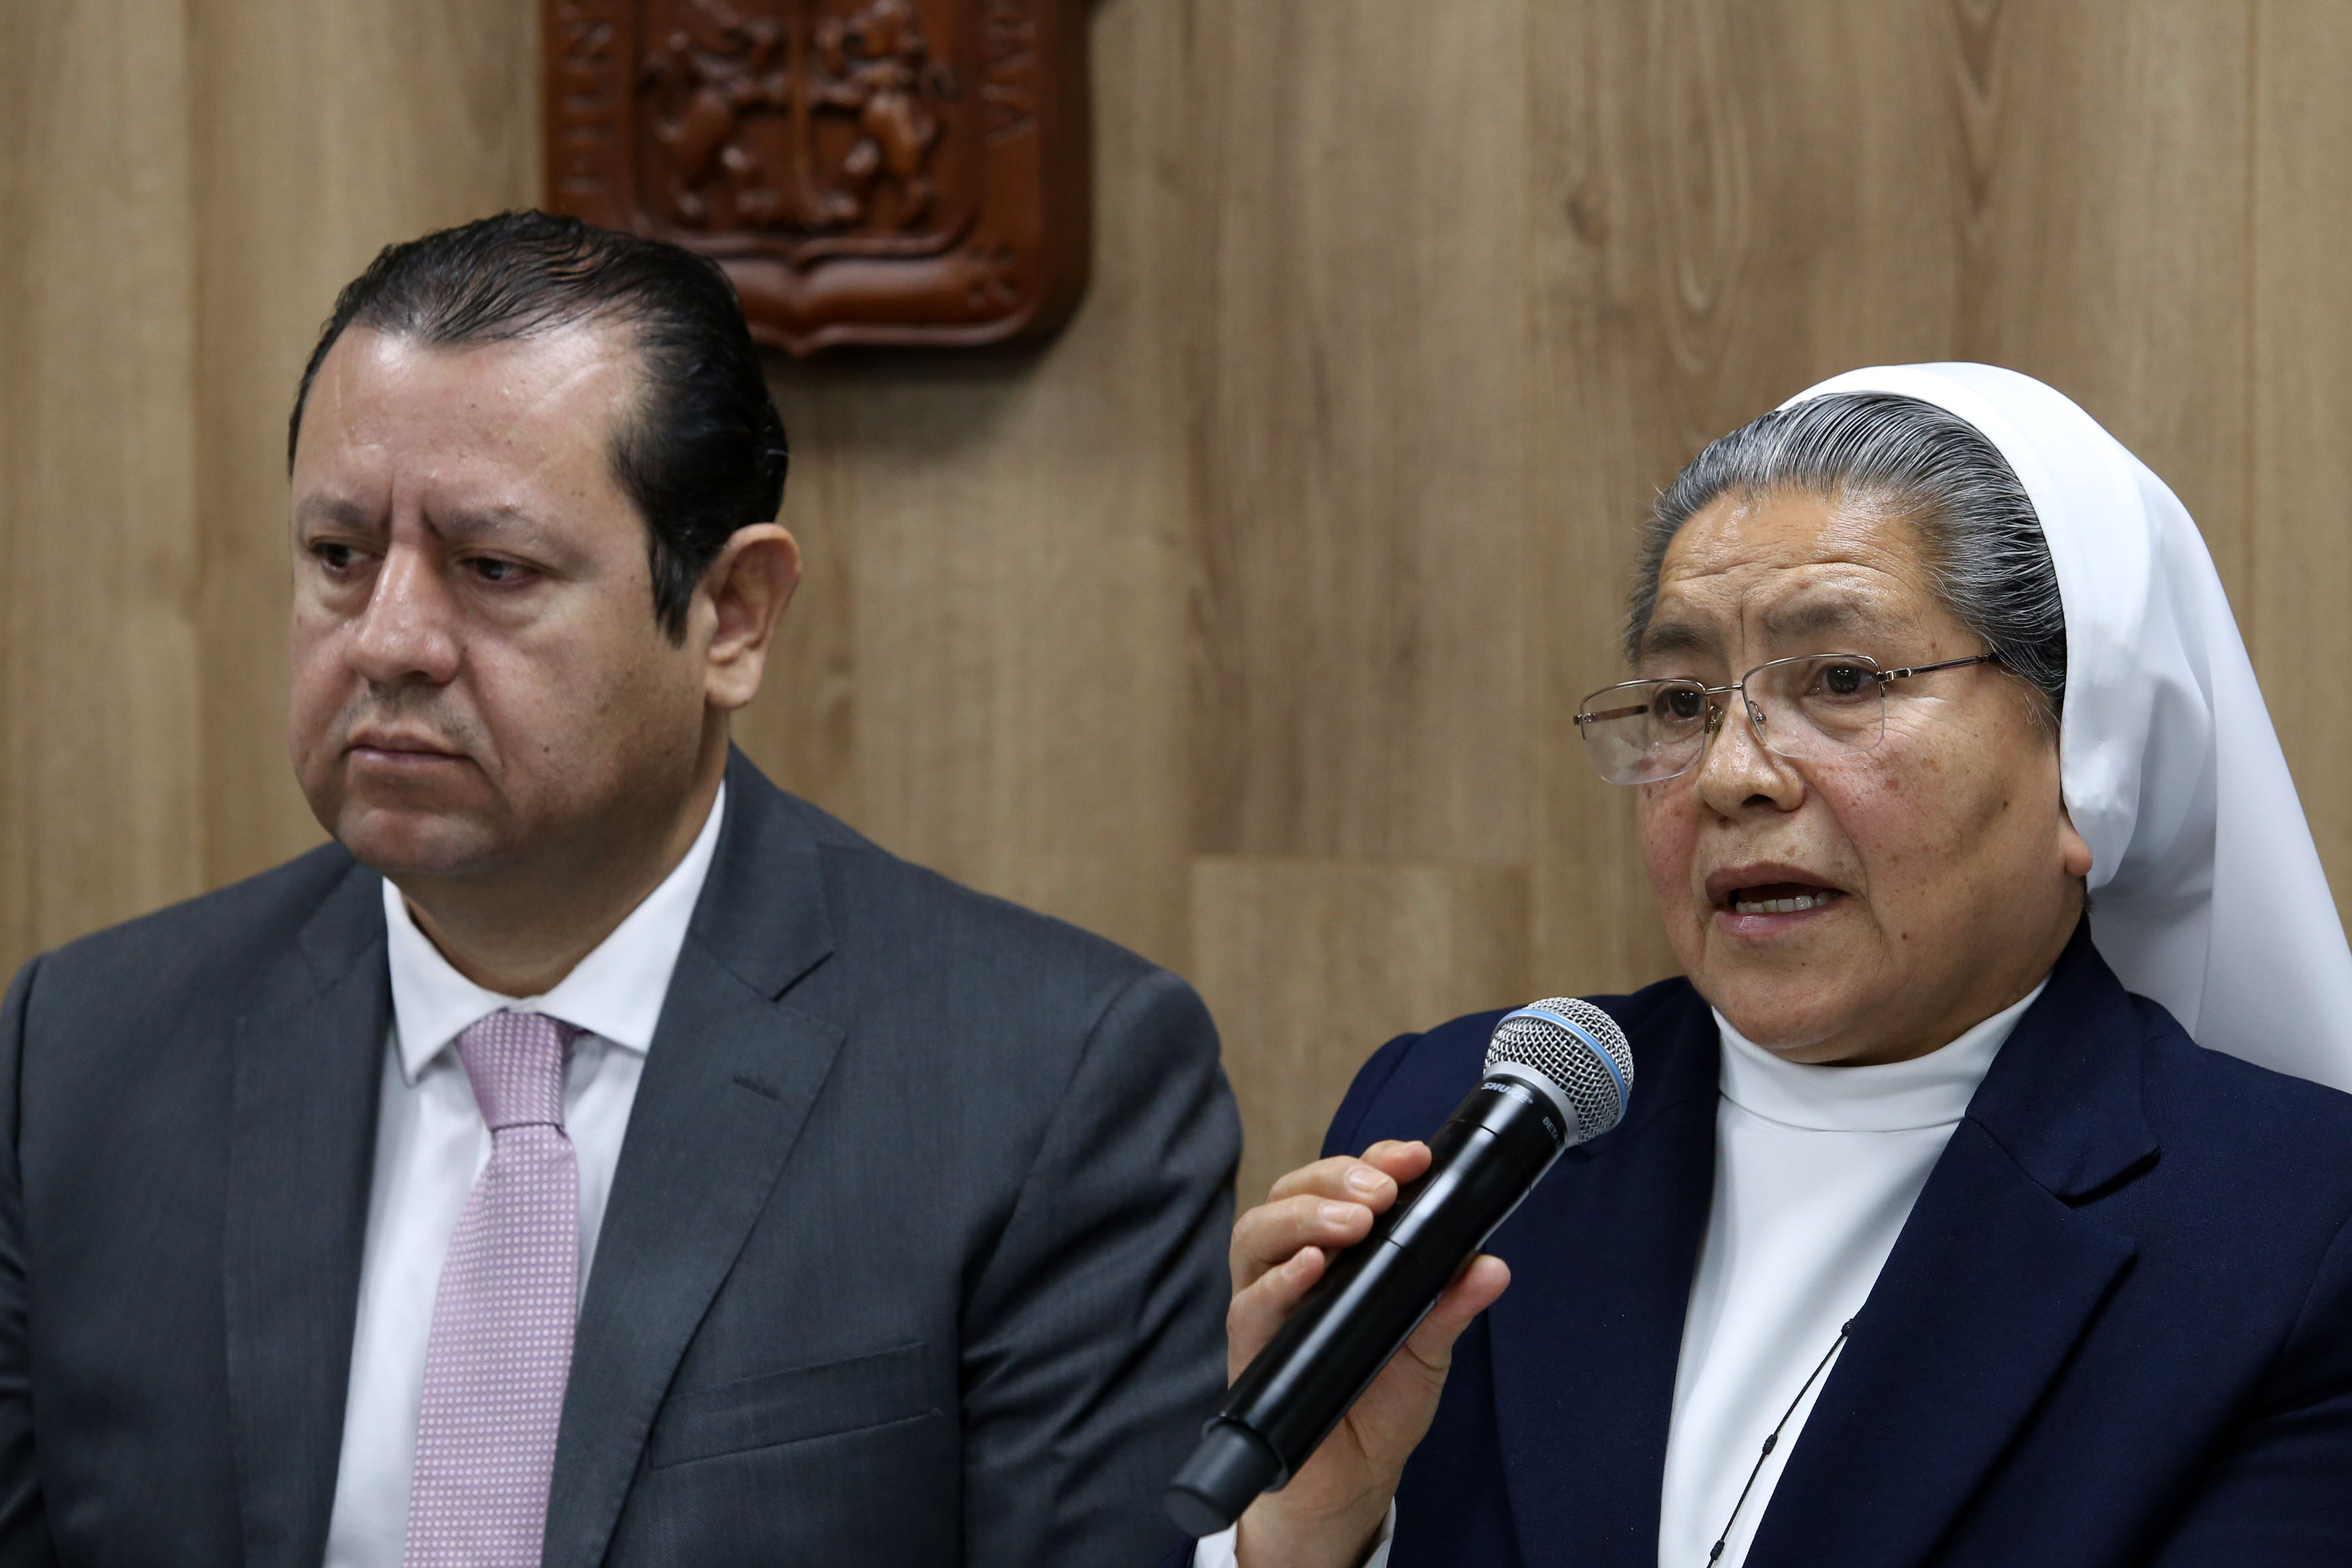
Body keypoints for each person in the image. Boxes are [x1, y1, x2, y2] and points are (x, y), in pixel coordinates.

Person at [0, 211, 1239, 1567]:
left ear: (732, 615)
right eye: (340, 556)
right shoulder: (82, 1056)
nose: (389, 640)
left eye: (494, 569)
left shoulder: (1040, 1085)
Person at [1190, 364, 2352, 1568]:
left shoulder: (2297, 1241)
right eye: (1682, 699)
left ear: (2086, 756)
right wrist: (1307, 1531)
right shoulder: (1457, 1117)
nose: (1730, 774)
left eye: (1843, 680)